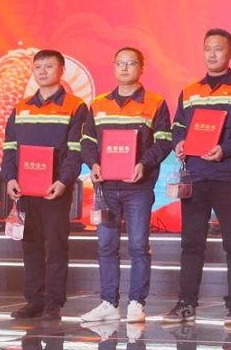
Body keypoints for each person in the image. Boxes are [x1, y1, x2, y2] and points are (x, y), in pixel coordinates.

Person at [162, 29, 231, 327]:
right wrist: (179, 142)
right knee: (191, 243)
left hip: (228, 177)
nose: (212, 53)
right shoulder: (190, 91)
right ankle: (186, 303)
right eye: (207, 48)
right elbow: (178, 126)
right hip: (195, 177)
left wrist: (225, 150)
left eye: (218, 48)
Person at [79, 47, 174, 323]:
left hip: (138, 188)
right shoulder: (99, 104)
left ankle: (136, 302)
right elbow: (87, 141)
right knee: (106, 246)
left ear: (142, 68)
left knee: (138, 246)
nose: (124, 68)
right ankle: (109, 302)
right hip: (106, 188)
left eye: (130, 63)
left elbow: (163, 141)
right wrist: (93, 164)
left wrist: (143, 163)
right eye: (119, 63)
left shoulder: (155, 102)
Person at [1, 49, 87, 320]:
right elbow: (10, 148)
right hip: (25, 190)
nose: (42, 71)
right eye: (38, 66)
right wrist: (10, 178)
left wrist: (63, 181)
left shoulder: (75, 106)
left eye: (48, 66)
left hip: (55, 191)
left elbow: (76, 151)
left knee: (57, 246)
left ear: (61, 70)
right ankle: (34, 300)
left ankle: (53, 302)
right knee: (31, 245)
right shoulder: (21, 107)